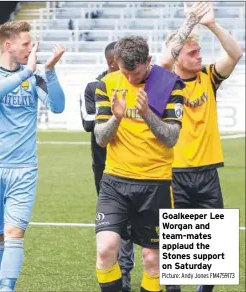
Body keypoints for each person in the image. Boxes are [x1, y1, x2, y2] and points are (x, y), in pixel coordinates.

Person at [0, 20, 66, 292]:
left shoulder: (34, 78)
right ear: (8, 45)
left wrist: (49, 71)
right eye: (26, 44)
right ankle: (3, 283)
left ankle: (7, 288)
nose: (31, 47)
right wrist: (28, 73)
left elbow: (57, 106)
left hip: (24, 168)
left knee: (15, 234)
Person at [161, 2, 243, 292]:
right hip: (175, 175)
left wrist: (210, 25)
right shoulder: (166, 83)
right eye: (192, 53)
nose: (199, 56)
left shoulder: (208, 77)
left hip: (208, 173)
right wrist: (188, 26)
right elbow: (163, 62)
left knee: (212, 251)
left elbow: (235, 53)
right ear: (178, 57)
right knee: (177, 252)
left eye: (199, 52)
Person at [93, 35, 184, 292]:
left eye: (136, 73)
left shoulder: (170, 84)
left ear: (149, 61)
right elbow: (101, 138)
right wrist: (117, 118)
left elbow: (171, 138)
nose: (131, 79)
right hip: (115, 182)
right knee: (105, 249)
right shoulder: (107, 84)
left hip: (155, 184)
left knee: (152, 259)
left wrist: (146, 115)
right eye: (125, 72)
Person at [80, 41, 135, 292]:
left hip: (141, 164)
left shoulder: (137, 83)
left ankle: (146, 275)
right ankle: (123, 274)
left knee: (144, 223)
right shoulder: (94, 86)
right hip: (105, 166)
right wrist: (114, 111)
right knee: (117, 224)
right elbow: (89, 123)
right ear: (112, 62)